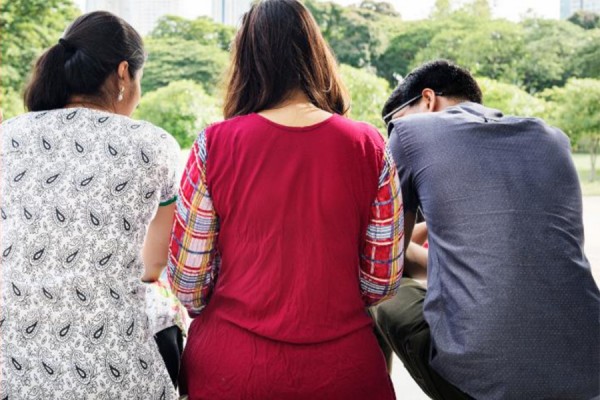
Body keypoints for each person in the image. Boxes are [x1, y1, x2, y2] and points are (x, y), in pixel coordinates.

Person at [167, 1, 403, 398]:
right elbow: (381, 282)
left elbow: (188, 282)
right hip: (343, 371)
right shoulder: (369, 145)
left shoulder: (214, 144)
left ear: (245, 59)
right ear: (316, 54)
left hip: (232, 370)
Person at [374, 59, 600, 400]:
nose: (391, 138)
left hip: (484, 386)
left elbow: (389, 261)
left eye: (392, 124)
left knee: (378, 292)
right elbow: (513, 253)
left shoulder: (409, 134)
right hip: (589, 374)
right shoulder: (554, 139)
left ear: (428, 100)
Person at [0, 12, 181, 399]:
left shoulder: (7, 136)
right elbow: (153, 264)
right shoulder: (153, 144)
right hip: (115, 368)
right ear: (122, 73)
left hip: (15, 365)